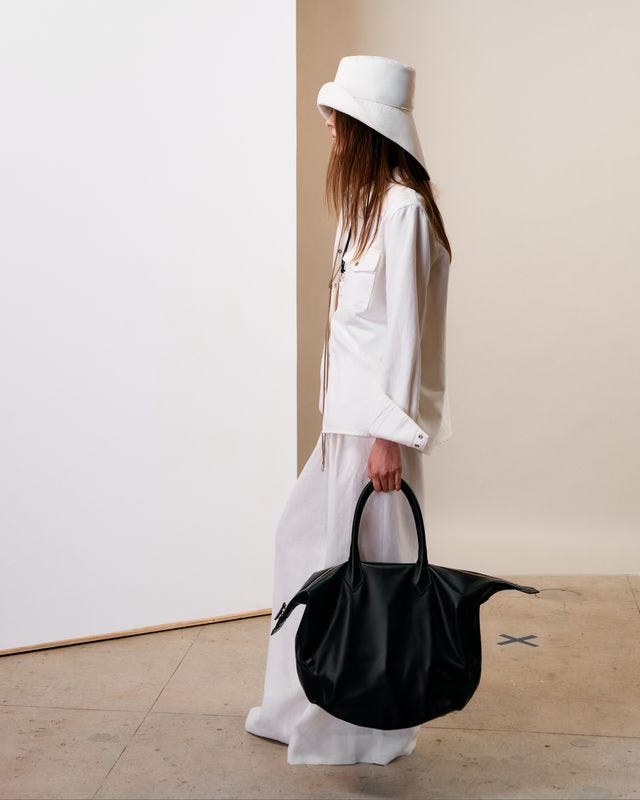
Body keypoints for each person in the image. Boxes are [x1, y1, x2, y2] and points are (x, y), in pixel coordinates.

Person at [244, 55, 453, 765]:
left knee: (367, 574)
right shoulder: (361, 208)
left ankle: (357, 727)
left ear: (368, 125)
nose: (328, 123)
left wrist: (389, 436)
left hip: (374, 432)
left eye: (339, 114)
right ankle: (295, 705)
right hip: (344, 425)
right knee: (305, 548)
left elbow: (407, 335)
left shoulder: (403, 211)